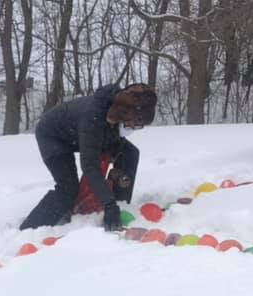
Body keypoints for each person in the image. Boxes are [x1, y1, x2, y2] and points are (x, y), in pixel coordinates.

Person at [20, 83, 157, 232]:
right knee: (68, 188)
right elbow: (90, 166)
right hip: (52, 136)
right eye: (135, 125)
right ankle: (30, 228)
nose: (135, 128)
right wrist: (108, 205)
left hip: (79, 132)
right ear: (122, 115)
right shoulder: (93, 118)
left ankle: (120, 203)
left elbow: (112, 137)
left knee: (129, 153)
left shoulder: (116, 107)